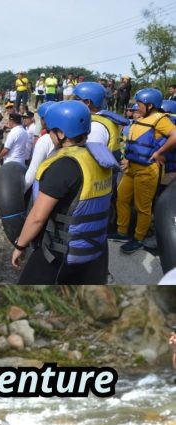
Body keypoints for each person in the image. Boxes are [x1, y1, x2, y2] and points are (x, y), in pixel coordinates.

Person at [12, 101, 112, 284]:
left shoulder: (64, 166)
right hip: (95, 251)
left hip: (60, 254)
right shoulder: (99, 156)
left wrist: (20, 245)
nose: (48, 134)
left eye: (50, 130)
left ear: (62, 133)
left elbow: (37, 217)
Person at [113, 88, 176, 253]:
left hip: (147, 170)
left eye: (139, 104)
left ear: (150, 105)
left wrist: (160, 152)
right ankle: (122, 231)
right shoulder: (143, 117)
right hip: (132, 167)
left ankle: (139, 238)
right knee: (122, 199)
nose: (136, 107)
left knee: (143, 206)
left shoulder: (160, 119)